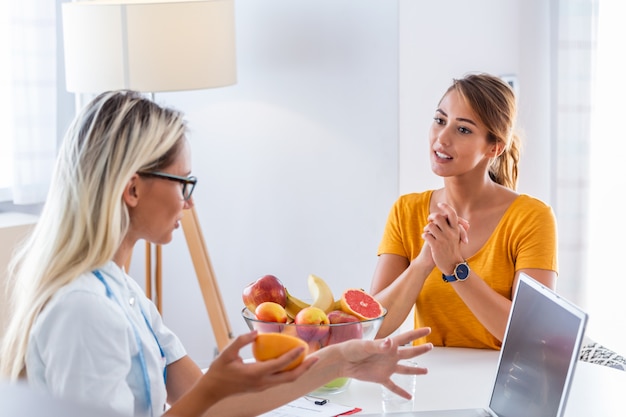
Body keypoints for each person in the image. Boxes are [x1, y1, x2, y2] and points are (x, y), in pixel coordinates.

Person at [0, 90, 434, 417]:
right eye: (183, 183)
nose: (189, 203)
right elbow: (206, 399)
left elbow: (212, 398)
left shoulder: (119, 291)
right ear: (132, 188)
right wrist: (213, 390)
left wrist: (340, 361)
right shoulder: (83, 312)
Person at [370, 73, 557, 350]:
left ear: (494, 147)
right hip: (431, 379)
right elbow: (373, 327)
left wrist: (456, 268)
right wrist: (424, 263)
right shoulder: (405, 211)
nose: (441, 139)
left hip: (500, 385)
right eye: (440, 120)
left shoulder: (532, 217)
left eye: (463, 130)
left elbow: (531, 335)